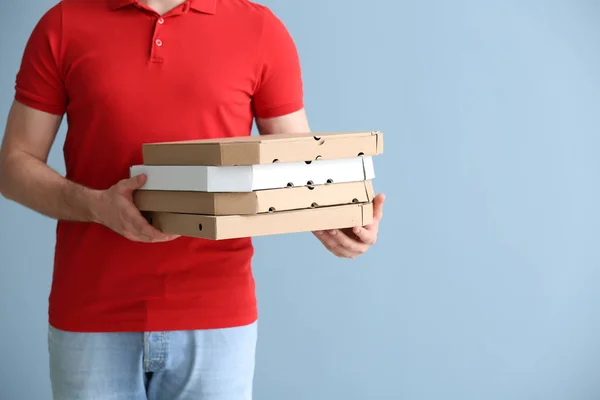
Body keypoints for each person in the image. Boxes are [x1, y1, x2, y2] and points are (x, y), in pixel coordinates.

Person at [0, 0, 385, 399]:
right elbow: (14, 166)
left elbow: (298, 163)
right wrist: (97, 206)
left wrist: (340, 218)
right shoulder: (63, 24)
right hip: (91, 313)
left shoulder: (259, 29)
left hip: (216, 315)